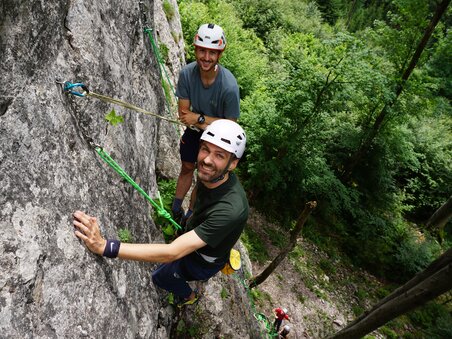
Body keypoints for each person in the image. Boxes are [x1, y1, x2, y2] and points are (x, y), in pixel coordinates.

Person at [73, 120, 248, 307]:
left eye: (219, 155)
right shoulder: (213, 175)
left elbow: (172, 252)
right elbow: (199, 188)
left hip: (202, 261)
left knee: (161, 277)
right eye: (205, 149)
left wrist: (104, 246)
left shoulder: (231, 211)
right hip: (200, 235)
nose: (206, 160)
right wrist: (190, 214)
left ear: (233, 164)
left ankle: (189, 297)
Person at [172, 23, 240, 225]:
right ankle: (175, 207)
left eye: (212, 52)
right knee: (186, 167)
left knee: (203, 178)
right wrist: (199, 120)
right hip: (194, 133)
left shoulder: (229, 87)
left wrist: (199, 119)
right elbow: (184, 114)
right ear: (196, 49)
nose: (206, 57)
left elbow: (230, 126)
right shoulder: (186, 74)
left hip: (217, 141)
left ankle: (191, 214)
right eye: (202, 50)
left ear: (220, 53)